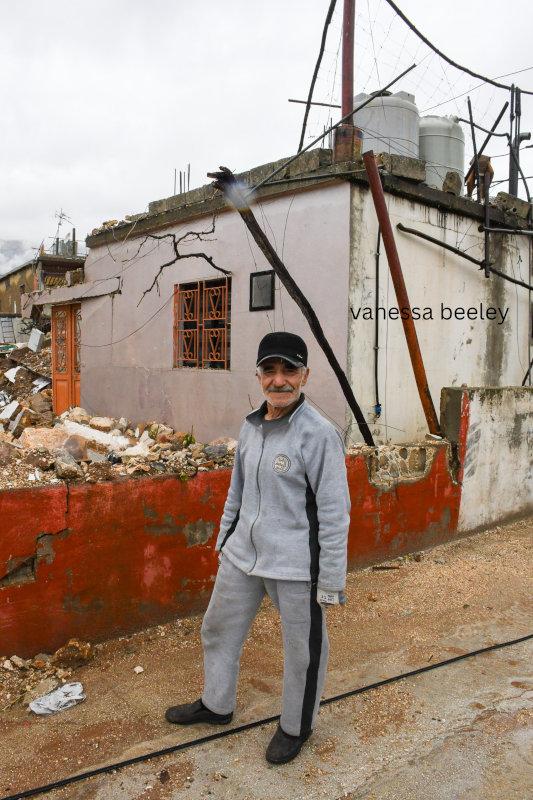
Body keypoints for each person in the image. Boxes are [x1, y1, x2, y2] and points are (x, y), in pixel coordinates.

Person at [165, 331, 351, 764]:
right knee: (217, 630)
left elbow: (335, 513)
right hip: (242, 558)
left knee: (303, 652)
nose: (279, 380)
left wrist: (331, 580)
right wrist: (225, 538)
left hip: (294, 567)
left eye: (289, 370)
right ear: (259, 375)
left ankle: (295, 727)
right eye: (270, 370)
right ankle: (216, 704)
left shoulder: (320, 435)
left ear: (306, 374)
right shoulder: (251, 426)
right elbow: (238, 490)